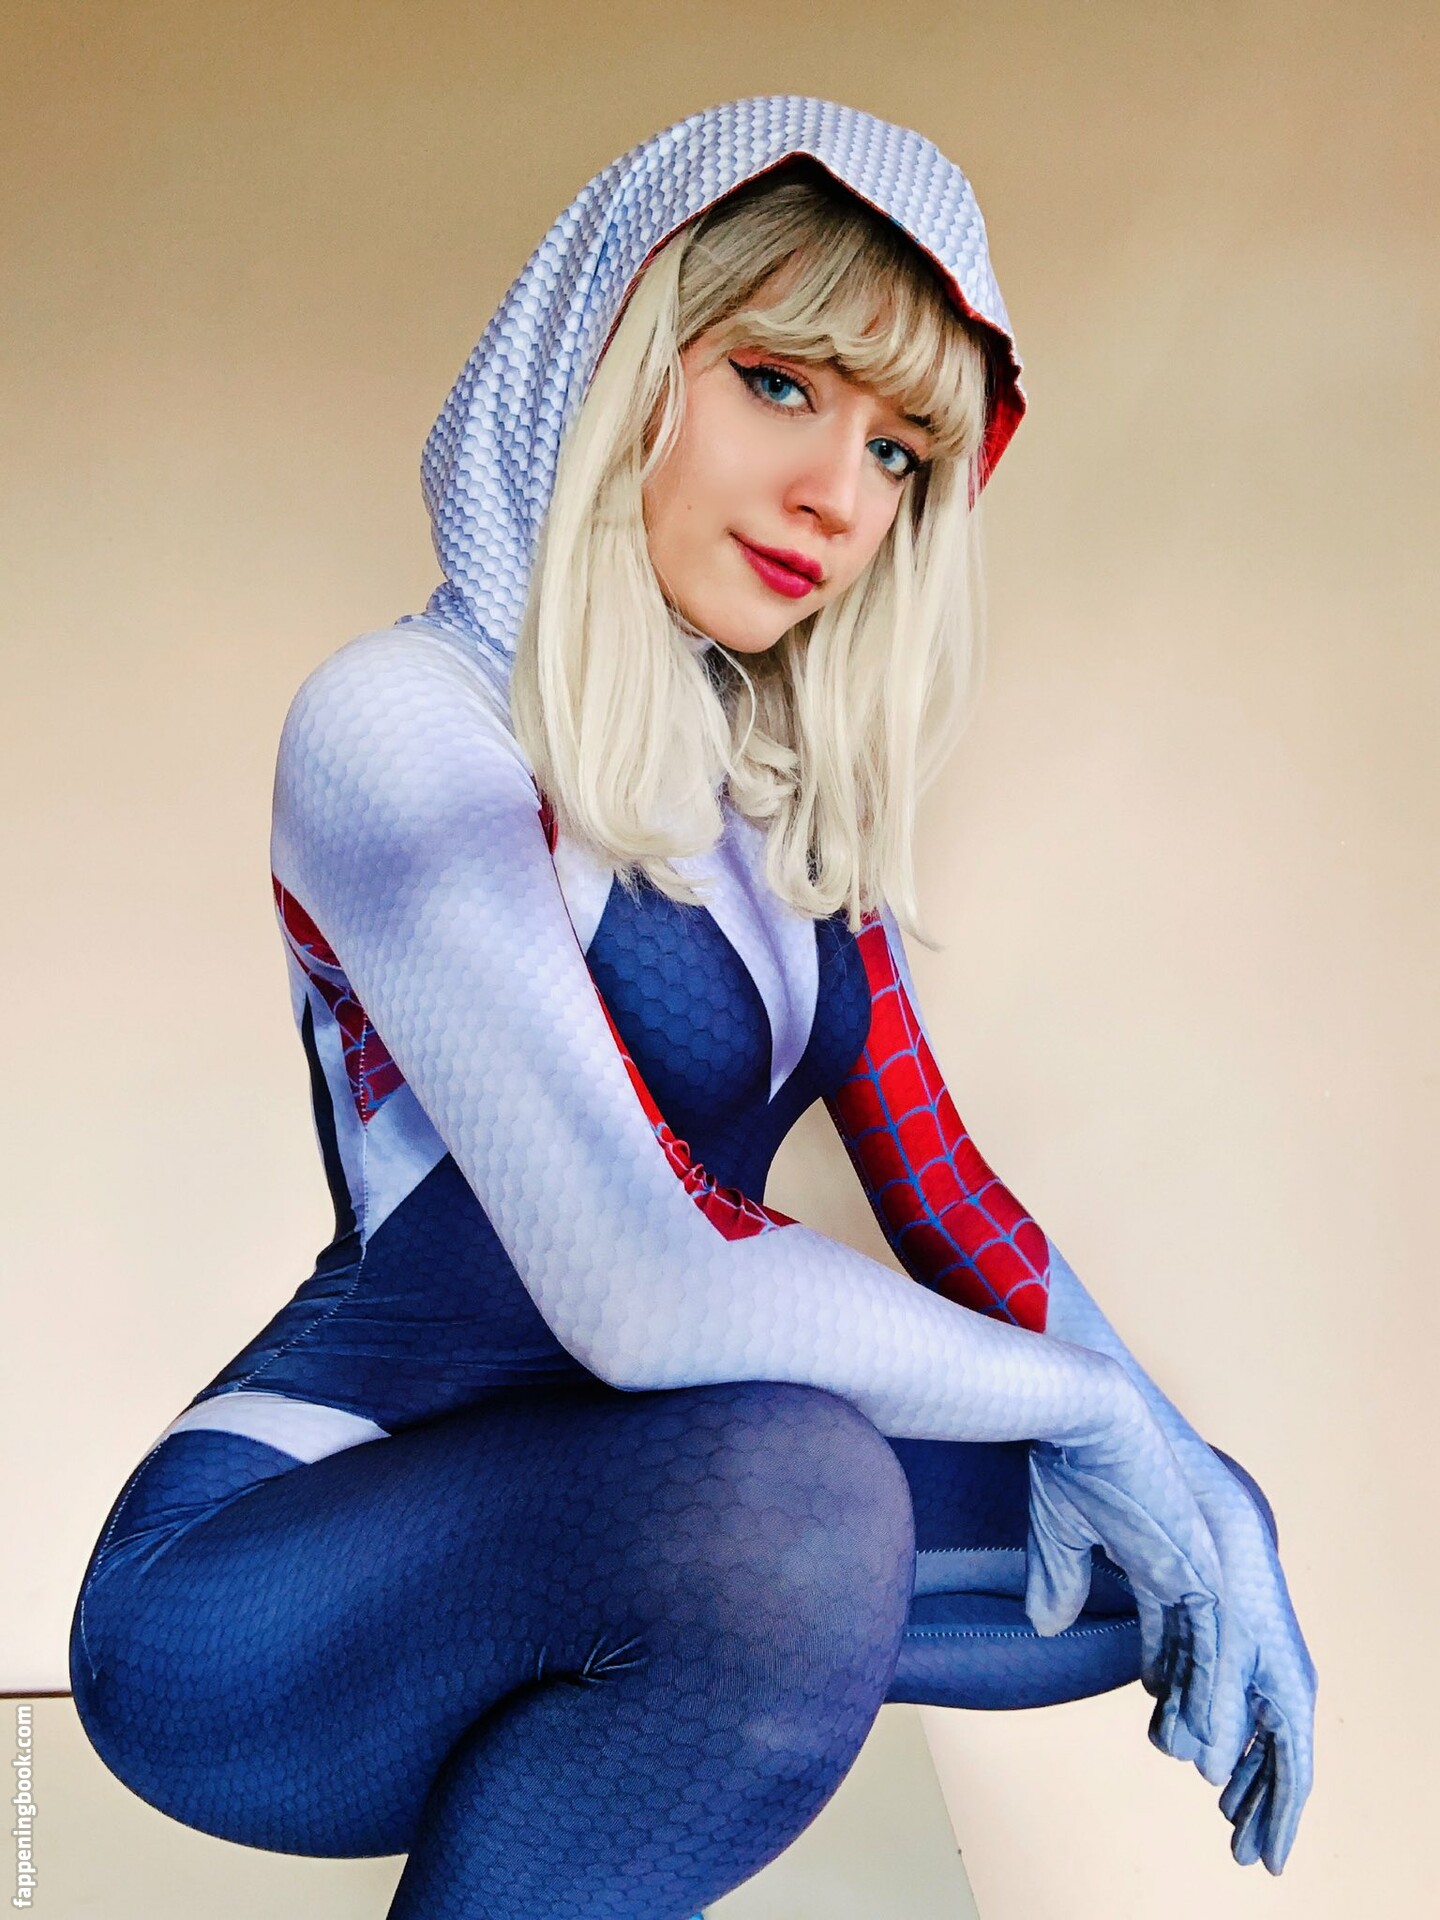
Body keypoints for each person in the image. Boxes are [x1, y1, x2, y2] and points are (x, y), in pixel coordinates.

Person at [68, 96, 1316, 1918]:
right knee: (803, 1503)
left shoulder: (784, 800)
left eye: (901, 454)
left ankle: (612, 1746)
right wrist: (1096, 1417)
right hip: (259, 1584)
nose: (840, 498)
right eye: (781, 383)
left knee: (1179, 1542)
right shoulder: (404, 723)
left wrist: (1181, 1472)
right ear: (614, 349)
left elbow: (953, 1196)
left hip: (642, 1513)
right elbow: (647, 1278)